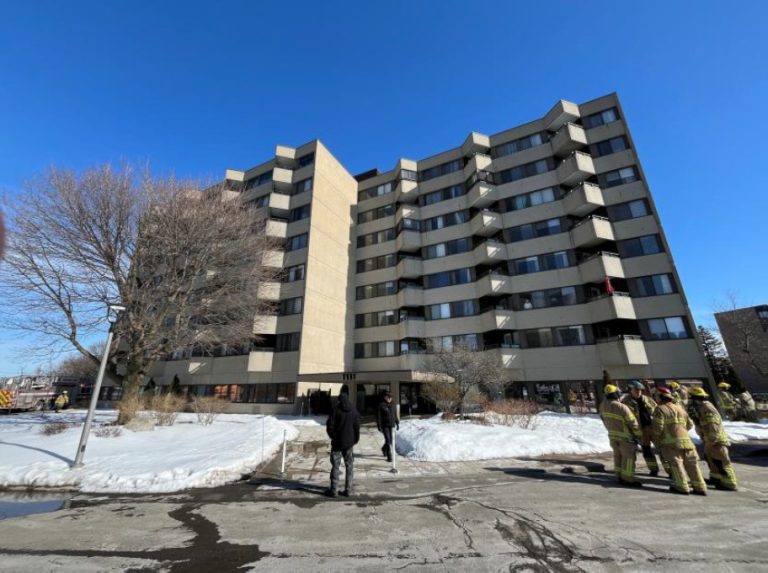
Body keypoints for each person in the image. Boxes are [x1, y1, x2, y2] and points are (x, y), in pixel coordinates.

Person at [652, 387, 707, 496]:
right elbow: (690, 425)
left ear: (660, 396)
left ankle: (682, 487)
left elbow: (658, 428)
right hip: (687, 442)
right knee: (692, 465)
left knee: (676, 465)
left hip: (671, 444)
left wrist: (659, 437)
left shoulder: (660, 409)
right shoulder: (680, 408)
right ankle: (700, 487)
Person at [689, 386, 738, 491]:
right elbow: (704, 425)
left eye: (690, 398)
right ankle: (716, 479)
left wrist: (711, 441)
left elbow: (714, 427)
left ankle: (730, 483)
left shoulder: (707, 408)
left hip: (717, 442)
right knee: (712, 461)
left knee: (722, 463)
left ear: (695, 398)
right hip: (710, 441)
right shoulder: (702, 408)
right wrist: (697, 421)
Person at [600, 384, 642, 487]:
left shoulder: (602, 406)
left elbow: (604, 420)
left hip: (613, 437)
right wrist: (638, 435)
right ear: (616, 394)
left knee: (618, 456)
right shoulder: (622, 407)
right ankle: (627, 479)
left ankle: (619, 476)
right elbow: (633, 423)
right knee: (628, 458)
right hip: (626, 439)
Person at [621, 380, 662, 476]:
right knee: (647, 451)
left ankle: (670, 471)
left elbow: (658, 411)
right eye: (636, 390)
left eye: (640, 390)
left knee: (662, 450)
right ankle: (653, 469)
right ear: (630, 390)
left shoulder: (648, 399)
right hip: (640, 431)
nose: (638, 392)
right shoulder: (625, 402)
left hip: (652, 428)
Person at [325, 391, 360, 498]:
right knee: (349, 466)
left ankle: (334, 490)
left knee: (335, 466)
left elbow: (329, 426)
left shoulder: (335, 410)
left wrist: (333, 436)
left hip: (337, 443)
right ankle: (348, 490)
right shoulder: (353, 410)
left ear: (339, 400)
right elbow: (357, 426)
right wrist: (355, 439)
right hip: (349, 443)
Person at [377, 390, 399, 462]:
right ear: (385, 397)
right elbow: (378, 416)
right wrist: (379, 425)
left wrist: (397, 422)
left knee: (390, 440)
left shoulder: (393, 404)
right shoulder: (381, 405)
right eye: (388, 397)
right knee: (388, 440)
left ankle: (384, 448)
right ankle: (389, 456)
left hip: (392, 425)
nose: (389, 399)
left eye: (390, 397)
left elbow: (395, 414)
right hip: (385, 425)